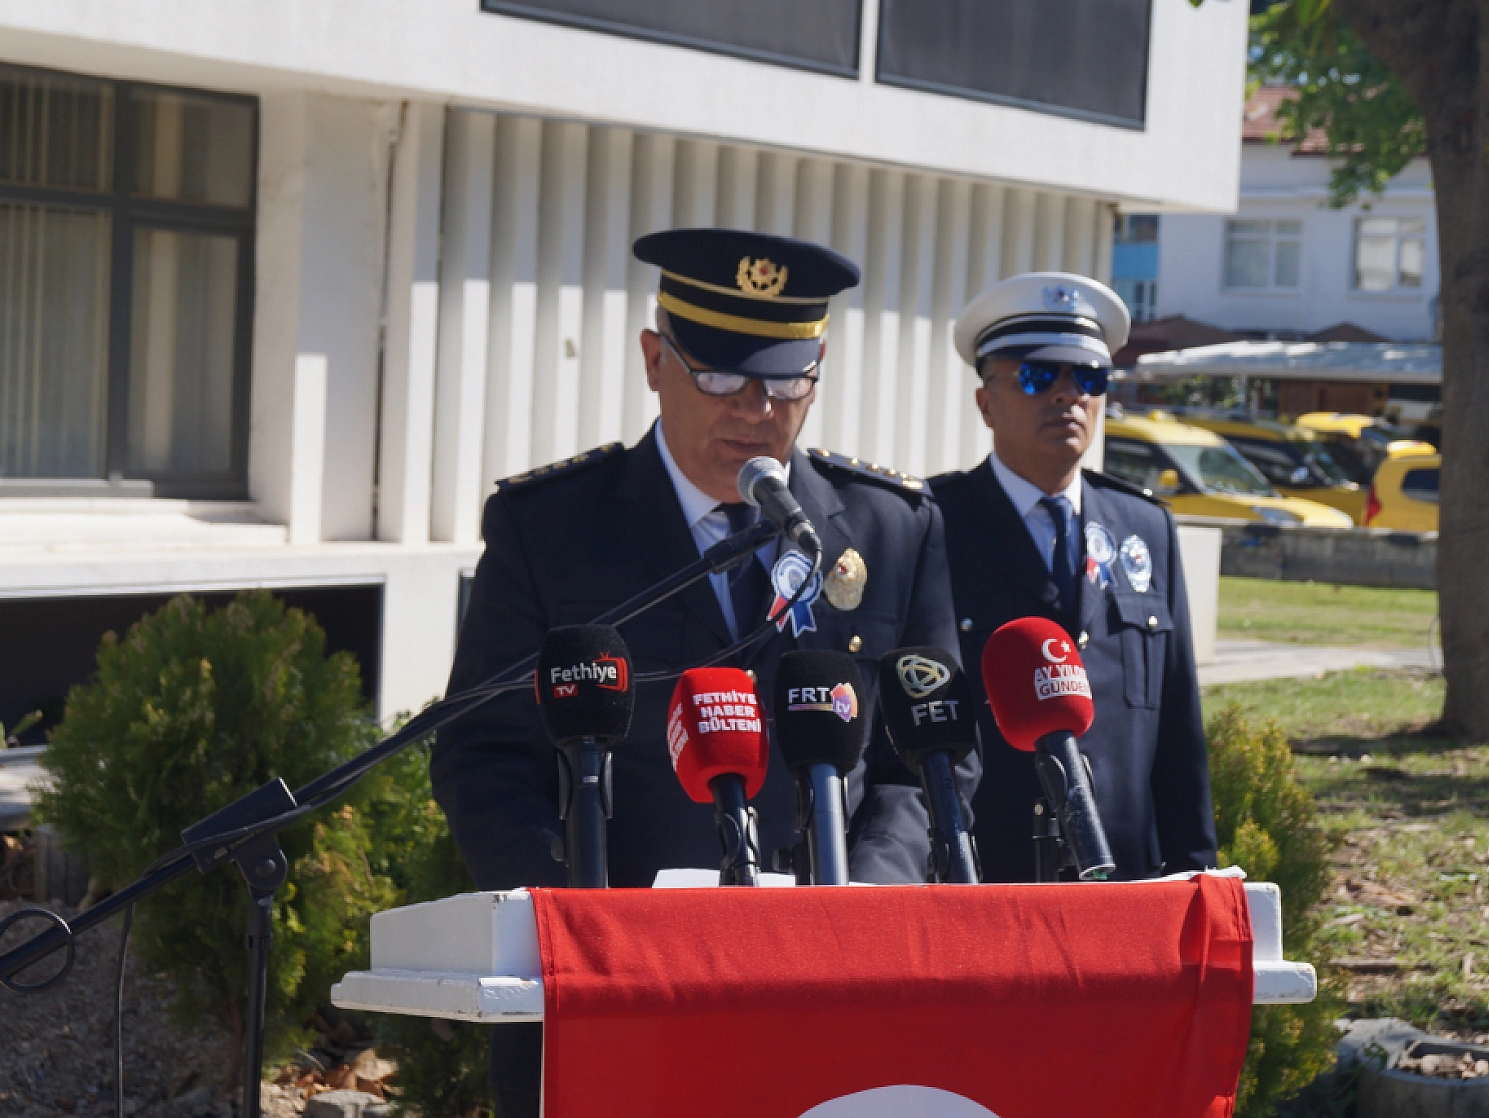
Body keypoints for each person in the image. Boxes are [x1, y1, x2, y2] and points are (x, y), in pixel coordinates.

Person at [431, 228, 973, 1117]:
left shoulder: (889, 527)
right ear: (655, 360)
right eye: (719, 375)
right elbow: (482, 756)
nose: (756, 410)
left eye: (787, 380)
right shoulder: (552, 528)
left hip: (835, 993)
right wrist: (582, 924)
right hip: (616, 994)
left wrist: (870, 903)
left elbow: (931, 758)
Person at [929, 272, 1217, 884]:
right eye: (1038, 376)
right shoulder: (933, 524)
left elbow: (1176, 733)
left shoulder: (1145, 528)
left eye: (1088, 379)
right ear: (986, 403)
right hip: (983, 879)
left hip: (1123, 880)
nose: (1068, 396)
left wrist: (1194, 875)